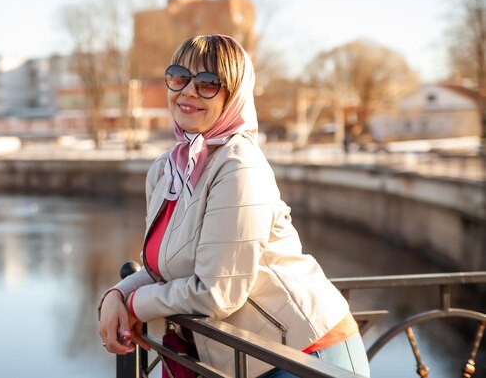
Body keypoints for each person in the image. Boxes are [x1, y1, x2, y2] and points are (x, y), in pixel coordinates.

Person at [98, 34, 370, 378]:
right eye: (179, 77)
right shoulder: (166, 168)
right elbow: (160, 270)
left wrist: (135, 304)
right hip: (248, 355)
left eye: (209, 83)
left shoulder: (239, 165)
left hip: (303, 355)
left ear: (234, 96)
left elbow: (217, 292)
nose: (189, 91)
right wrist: (115, 296)